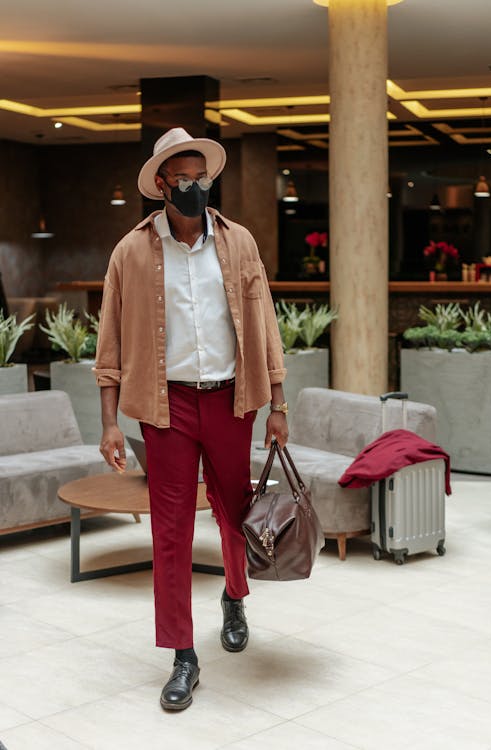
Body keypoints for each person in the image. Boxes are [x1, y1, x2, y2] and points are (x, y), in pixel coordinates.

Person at [94, 127, 288, 711]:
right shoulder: (129, 252)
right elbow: (109, 343)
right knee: (171, 531)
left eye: (201, 177)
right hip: (166, 406)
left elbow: (266, 326)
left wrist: (278, 405)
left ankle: (234, 596)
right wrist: (108, 422)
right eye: (182, 178)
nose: (194, 187)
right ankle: (182, 653)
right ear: (161, 185)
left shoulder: (239, 243)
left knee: (234, 516)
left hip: (232, 400)